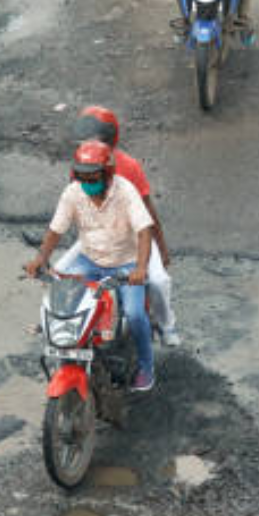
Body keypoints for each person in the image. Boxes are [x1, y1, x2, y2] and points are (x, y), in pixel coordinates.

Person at [24, 140, 158, 391]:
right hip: (89, 259)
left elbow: (144, 231)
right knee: (62, 299)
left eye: (93, 176)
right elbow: (55, 231)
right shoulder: (73, 192)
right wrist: (40, 259)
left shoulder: (125, 191)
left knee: (135, 314)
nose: (88, 182)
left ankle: (146, 367)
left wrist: (140, 267)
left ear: (107, 174)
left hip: (125, 262)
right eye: (82, 176)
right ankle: (69, 357)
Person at [54, 106, 179, 347]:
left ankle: (166, 325)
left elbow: (148, 211)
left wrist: (161, 249)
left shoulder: (130, 166)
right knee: (59, 273)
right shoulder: (80, 166)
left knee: (158, 282)